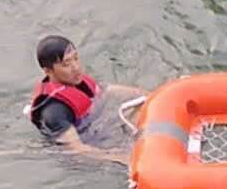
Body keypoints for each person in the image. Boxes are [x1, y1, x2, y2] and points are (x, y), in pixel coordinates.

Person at [28, 35, 143, 165]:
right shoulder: (54, 111)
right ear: (48, 71)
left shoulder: (74, 80)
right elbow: (77, 151)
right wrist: (122, 158)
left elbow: (109, 91)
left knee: (138, 108)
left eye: (76, 59)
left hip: (95, 126)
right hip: (84, 149)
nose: (76, 67)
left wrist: (148, 95)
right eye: (66, 64)